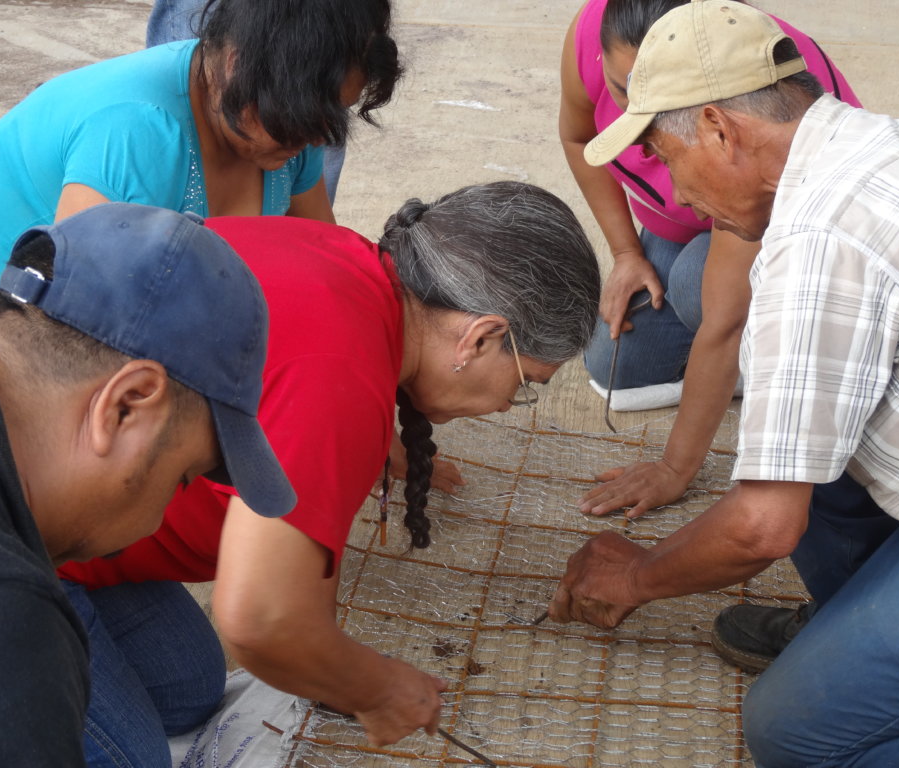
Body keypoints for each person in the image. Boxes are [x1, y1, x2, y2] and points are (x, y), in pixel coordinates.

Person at [548, 1, 899, 765]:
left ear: (724, 131)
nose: (669, 190)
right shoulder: (875, 146)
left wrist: (638, 574)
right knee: (795, 444)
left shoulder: (815, 238)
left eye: (665, 156)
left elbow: (762, 526)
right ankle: (868, 636)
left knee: (794, 733)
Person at [58, 181, 602, 766]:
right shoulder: (343, 374)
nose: (504, 406)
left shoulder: (348, 262)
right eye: (523, 387)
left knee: (186, 690)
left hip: (72, 525)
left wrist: (325, 659)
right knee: (134, 758)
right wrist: (377, 687)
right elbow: (261, 618)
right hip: (13, 535)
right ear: (480, 337)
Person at [0, 202, 292, 766]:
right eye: (182, 480)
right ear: (127, 405)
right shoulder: (11, 626)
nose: (155, 524)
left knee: (187, 677)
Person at [564, 0, 860, 517]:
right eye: (622, 89)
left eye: (652, 113)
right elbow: (577, 135)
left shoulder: (758, 140)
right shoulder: (598, 30)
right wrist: (627, 252)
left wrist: (675, 469)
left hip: (751, 213)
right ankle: (753, 356)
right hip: (697, 216)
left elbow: (723, 323)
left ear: (716, 123)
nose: (674, 192)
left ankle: (782, 356)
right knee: (618, 374)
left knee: (699, 287)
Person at [0, 0, 401, 283]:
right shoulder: (137, 132)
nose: (318, 136)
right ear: (237, 65)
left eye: (335, 114)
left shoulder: (290, 125)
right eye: (306, 115)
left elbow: (321, 263)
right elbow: (76, 323)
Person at [145, 0, 348, 205]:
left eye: (338, 111)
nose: (320, 141)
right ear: (236, 68)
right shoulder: (145, 135)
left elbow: (318, 231)